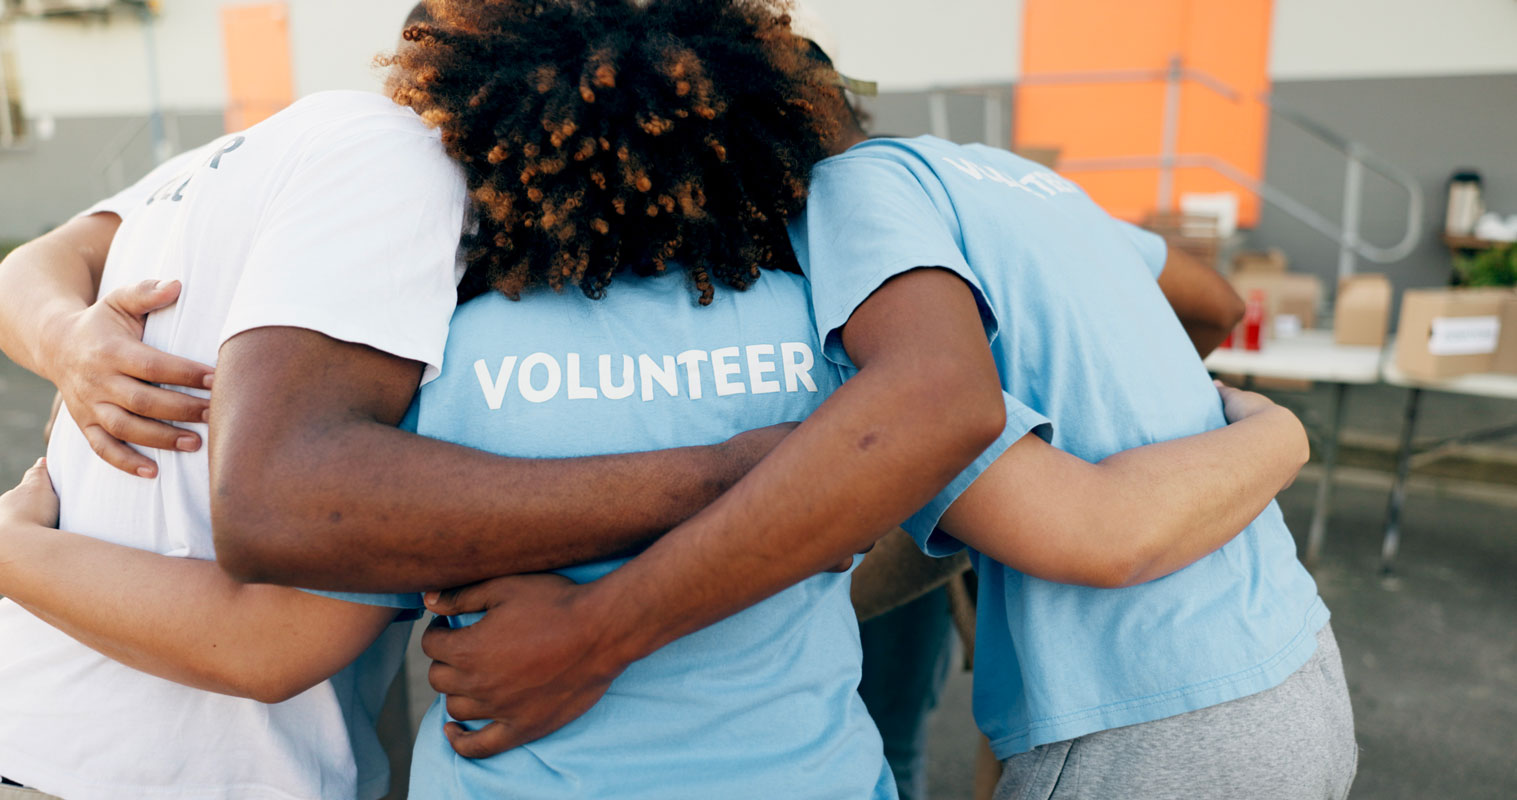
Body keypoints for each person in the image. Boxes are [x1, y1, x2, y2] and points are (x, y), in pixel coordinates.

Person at [0, 1, 1305, 797]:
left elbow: (291, 558)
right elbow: (1006, 473)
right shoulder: (829, 308)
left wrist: (604, 618)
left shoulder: (435, 324)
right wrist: (781, 495)